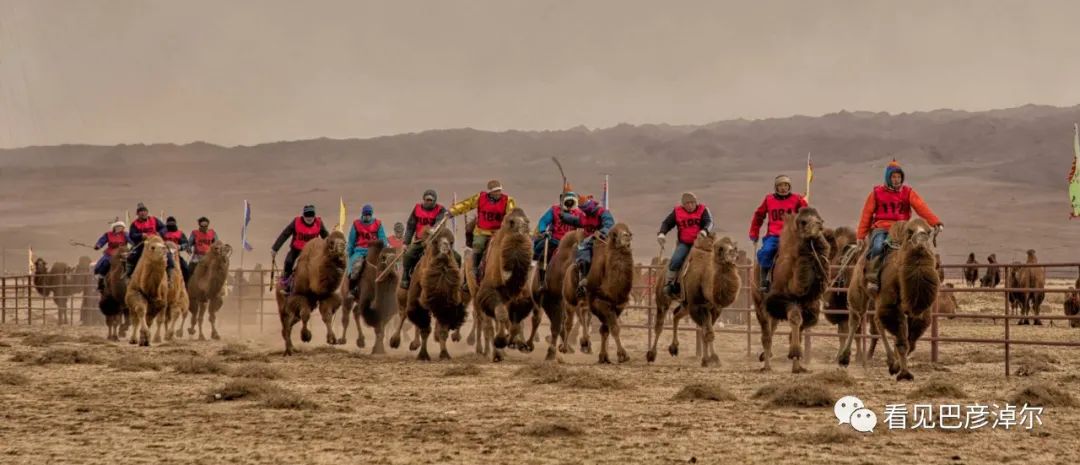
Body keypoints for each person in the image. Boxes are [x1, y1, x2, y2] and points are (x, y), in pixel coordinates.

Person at [856, 160, 943, 293]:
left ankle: (924, 279)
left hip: (903, 228)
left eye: (899, 177)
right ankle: (873, 278)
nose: (897, 180)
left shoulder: (908, 192)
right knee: (878, 247)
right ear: (888, 178)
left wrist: (935, 222)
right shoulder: (876, 193)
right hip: (882, 228)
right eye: (893, 177)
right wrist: (860, 236)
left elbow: (921, 208)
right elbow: (866, 215)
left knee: (919, 247)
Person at [448, 180, 516, 284]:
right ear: (490, 192)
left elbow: (512, 214)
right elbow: (467, 204)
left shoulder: (508, 201)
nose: (498, 193)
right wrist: (452, 211)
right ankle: (475, 269)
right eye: (496, 191)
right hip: (482, 231)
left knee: (509, 248)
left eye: (499, 191)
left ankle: (512, 272)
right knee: (478, 245)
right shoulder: (480, 197)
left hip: (499, 232)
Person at [749, 175, 808, 292]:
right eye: (780, 185)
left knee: (807, 253)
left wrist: (805, 207)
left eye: (786, 185)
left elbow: (806, 214)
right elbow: (758, 216)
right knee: (766, 251)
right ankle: (764, 280)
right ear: (776, 187)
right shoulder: (769, 199)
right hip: (774, 235)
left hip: (792, 236)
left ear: (789, 186)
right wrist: (754, 232)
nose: (783, 188)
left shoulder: (797, 199)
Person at [657, 192, 713, 295]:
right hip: (685, 243)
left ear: (695, 202)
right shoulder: (677, 212)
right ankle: (669, 284)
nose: (690, 205)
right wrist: (662, 233)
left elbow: (709, 222)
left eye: (692, 203)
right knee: (676, 259)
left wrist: (705, 230)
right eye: (687, 203)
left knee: (713, 260)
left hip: (701, 243)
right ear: (683, 204)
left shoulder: (703, 210)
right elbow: (667, 223)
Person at [271, 205, 329, 291]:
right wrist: (275, 248)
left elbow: (326, 237)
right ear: (303, 215)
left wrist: (333, 247)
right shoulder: (296, 222)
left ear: (314, 215)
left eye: (311, 215)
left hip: (314, 252)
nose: (309, 218)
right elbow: (285, 234)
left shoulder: (319, 223)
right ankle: (286, 282)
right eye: (307, 215)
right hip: (297, 250)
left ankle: (326, 285)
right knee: (289, 261)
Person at [400, 190, 449, 290]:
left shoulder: (440, 210)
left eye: (431, 200)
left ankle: (451, 280)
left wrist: (433, 231)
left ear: (435, 201)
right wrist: (406, 242)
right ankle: (405, 276)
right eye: (427, 200)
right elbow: (410, 226)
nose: (429, 202)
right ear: (423, 199)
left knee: (454, 257)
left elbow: (439, 223)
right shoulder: (417, 209)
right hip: (419, 240)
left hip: (434, 240)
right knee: (408, 254)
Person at [571, 197, 615, 297]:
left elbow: (609, 223)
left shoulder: (602, 212)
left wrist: (603, 232)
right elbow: (575, 221)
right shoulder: (584, 216)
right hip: (590, 240)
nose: (585, 210)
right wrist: (563, 216)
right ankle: (583, 279)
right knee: (580, 250)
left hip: (603, 239)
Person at [533, 191, 583, 276]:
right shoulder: (554, 210)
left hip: (571, 242)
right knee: (540, 251)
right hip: (555, 240)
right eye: (568, 201)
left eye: (572, 202)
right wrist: (543, 231)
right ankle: (540, 278)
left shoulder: (579, 213)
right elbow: (543, 221)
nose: (569, 204)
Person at [346, 204, 388, 293]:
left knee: (385, 266)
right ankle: (352, 288)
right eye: (365, 214)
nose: (367, 216)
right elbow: (351, 241)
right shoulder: (356, 224)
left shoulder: (378, 224)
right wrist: (349, 254)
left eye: (369, 214)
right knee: (355, 268)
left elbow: (383, 238)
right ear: (362, 214)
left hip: (374, 250)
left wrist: (384, 246)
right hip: (360, 250)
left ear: (371, 214)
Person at [127, 202, 174, 278]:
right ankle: (130, 274)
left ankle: (170, 275)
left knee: (167, 254)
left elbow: (164, 228)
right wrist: (141, 235)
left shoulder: (154, 220)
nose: (143, 213)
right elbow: (131, 235)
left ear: (147, 212)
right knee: (133, 256)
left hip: (156, 241)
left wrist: (160, 233)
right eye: (140, 212)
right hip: (143, 243)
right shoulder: (134, 224)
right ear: (138, 214)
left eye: (144, 211)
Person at [93, 221, 132, 291]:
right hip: (111, 252)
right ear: (114, 228)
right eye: (118, 227)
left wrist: (135, 245)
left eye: (121, 227)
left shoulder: (125, 234)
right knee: (105, 263)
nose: (119, 228)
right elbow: (101, 241)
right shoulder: (108, 234)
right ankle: (101, 281)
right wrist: (98, 245)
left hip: (123, 252)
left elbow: (131, 241)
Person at [162, 216, 191, 282]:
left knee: (186, 268)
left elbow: (186, 244)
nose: (171, 225)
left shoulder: (180, 233)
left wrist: (180, 247)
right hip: (164, 255)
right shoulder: (163, 233)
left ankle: (185, 286)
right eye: (169, 224)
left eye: (172, 224)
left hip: (176, 255)